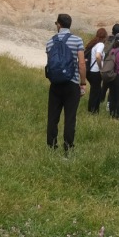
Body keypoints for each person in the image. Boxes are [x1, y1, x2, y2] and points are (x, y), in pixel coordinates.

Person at [45, 13, 86, 155]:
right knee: (70, 118)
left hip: (55, 84)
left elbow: (49, 64)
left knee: (53, 117)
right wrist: (83, 83)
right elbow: (81, 64)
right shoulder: (77, 41)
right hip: (72, 84)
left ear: (59, 24)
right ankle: (68, 147)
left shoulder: (50, 42)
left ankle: (51, 146)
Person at [85, 27, 108, 114]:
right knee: (96, 91)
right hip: (96, 72)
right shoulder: (101, 45)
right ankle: (93, 110)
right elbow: (98, 56)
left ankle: (92, 109)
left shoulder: (93, 44)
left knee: (94, 90)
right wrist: (101, 68)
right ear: (105, 37)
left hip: (90, 71)